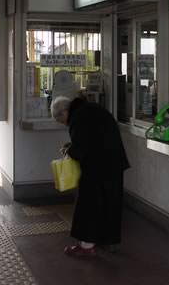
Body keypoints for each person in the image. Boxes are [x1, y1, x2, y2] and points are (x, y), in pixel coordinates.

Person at [51, 96, 130, 257]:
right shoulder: (91, 109)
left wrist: (69, 150)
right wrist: (73, 146)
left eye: (62, 121)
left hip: (98, 167)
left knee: (89, 203)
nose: (65, 124)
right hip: (114, 163)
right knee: (110, 203)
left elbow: (81, 149)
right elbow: (93, 138)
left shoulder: (78, 117)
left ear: (64, 112)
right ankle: (109, 241)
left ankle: (86, 245)